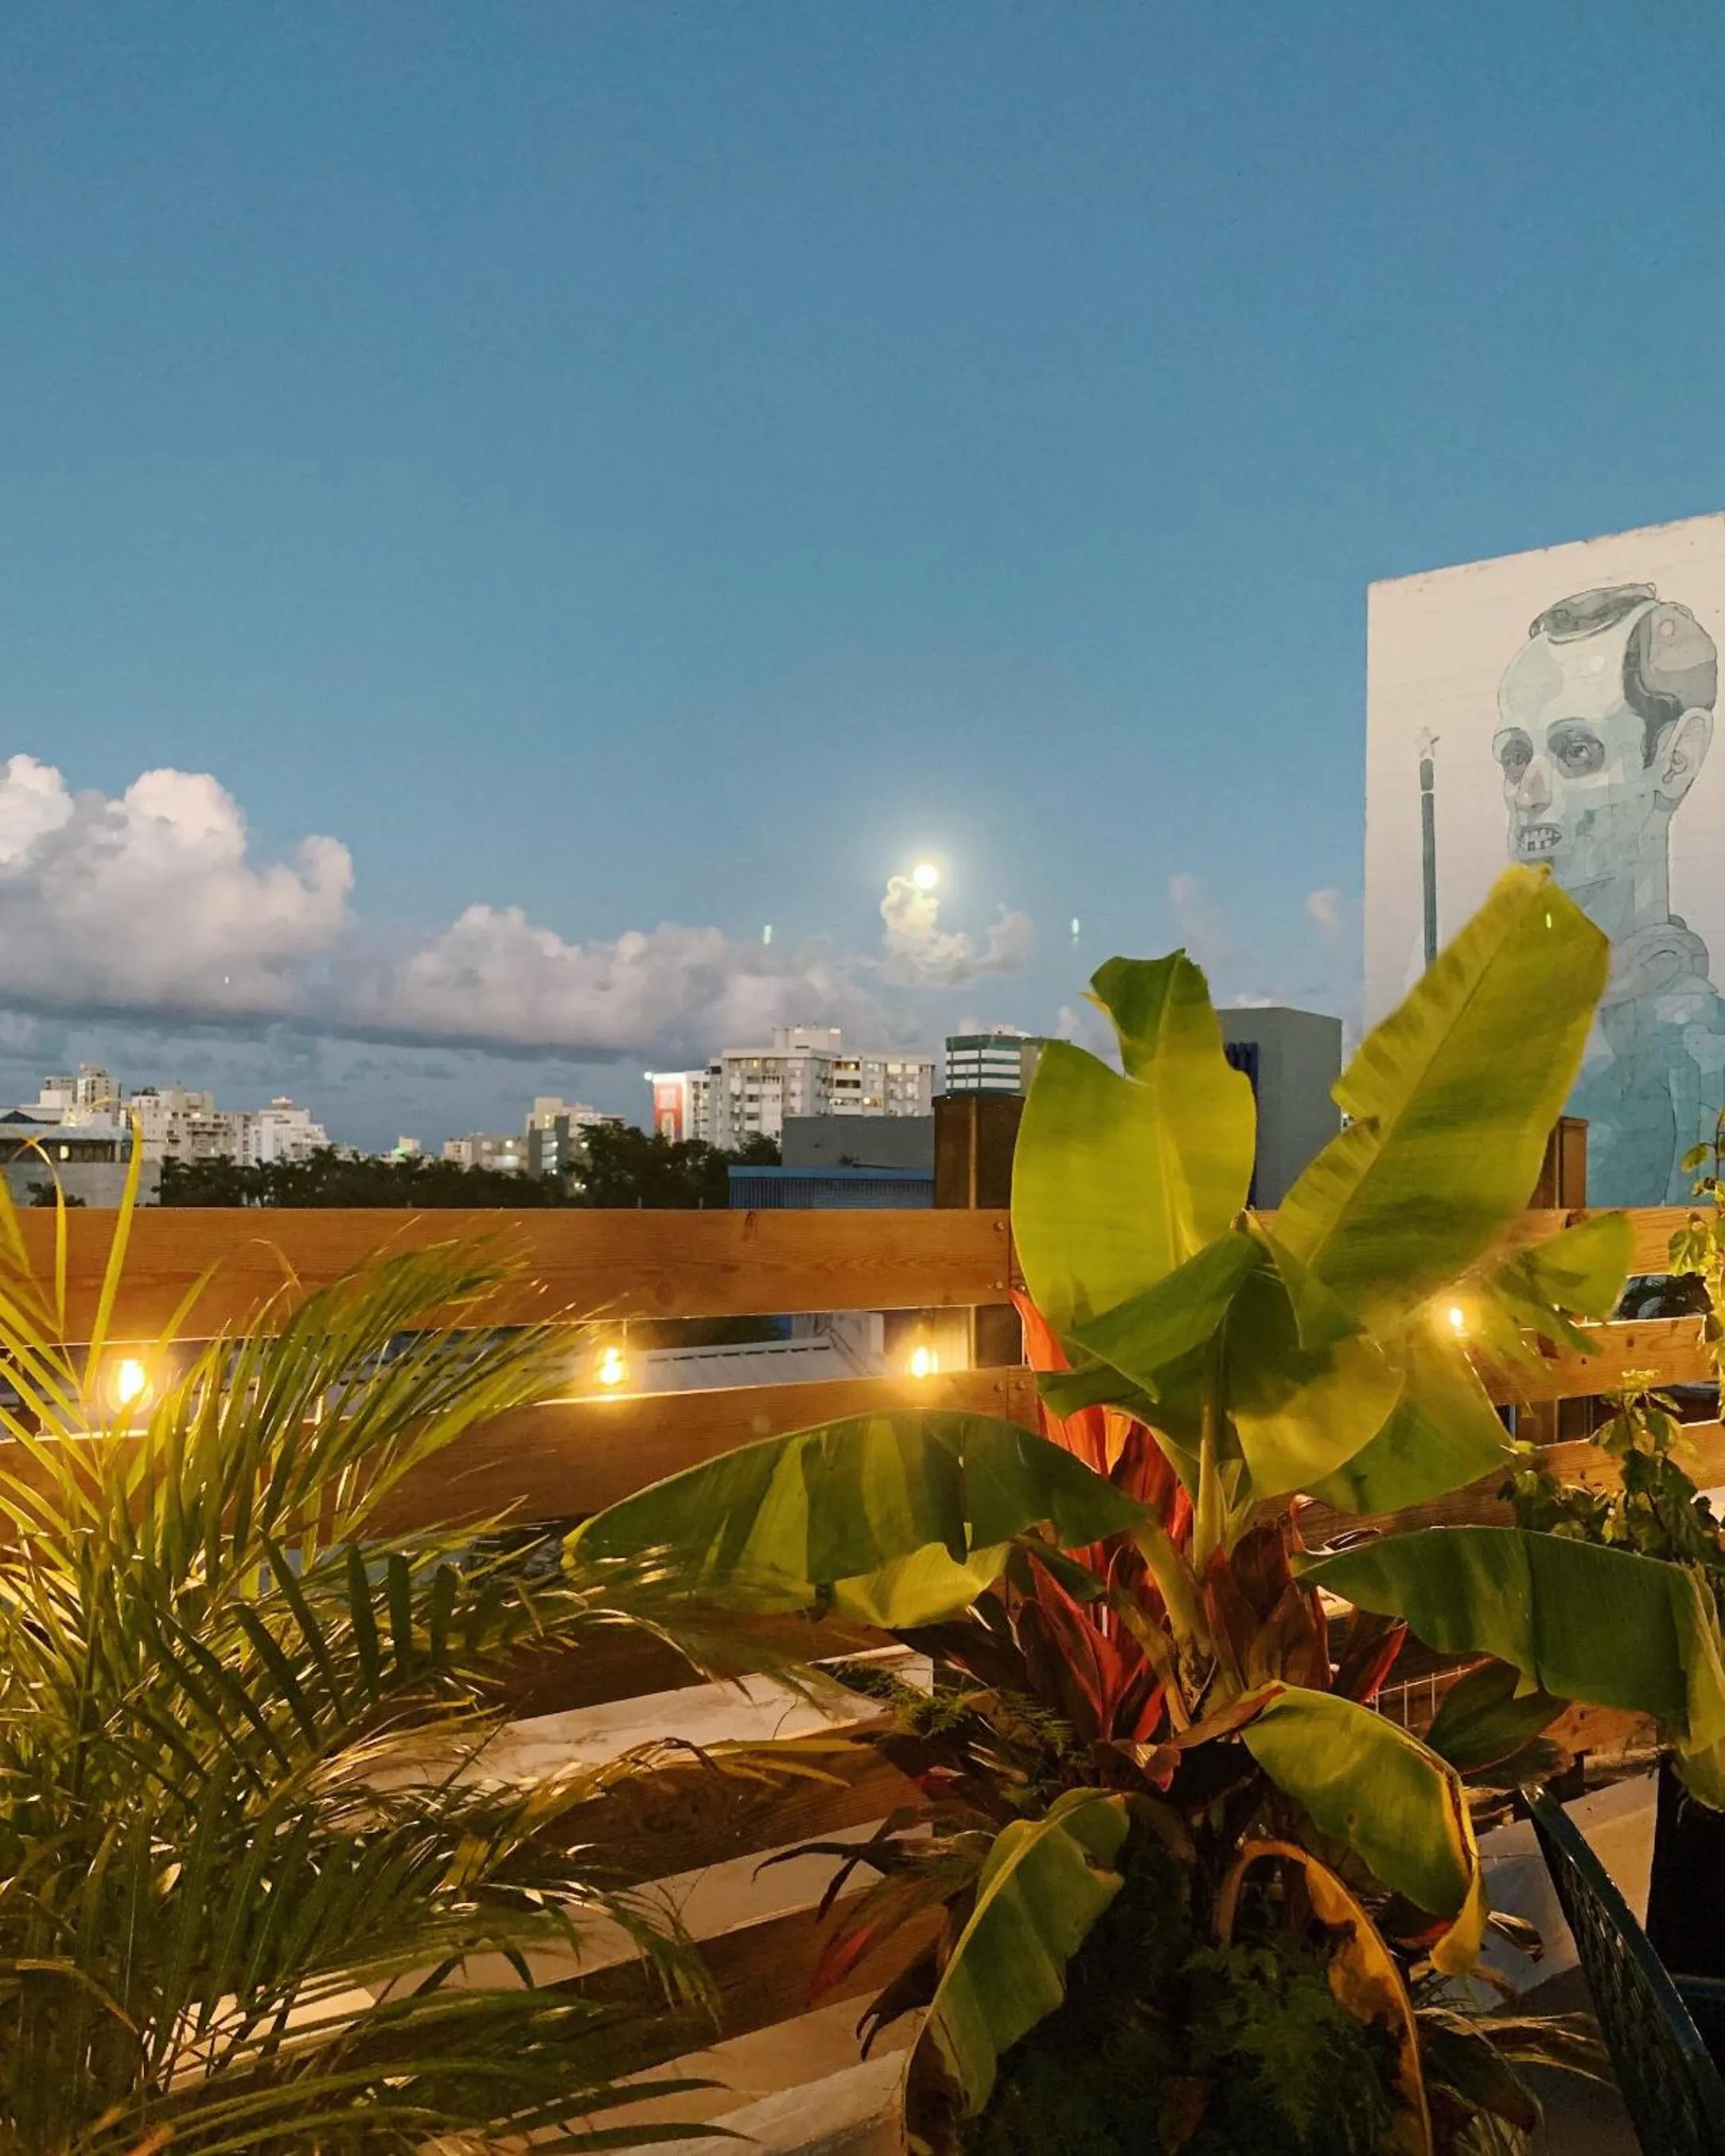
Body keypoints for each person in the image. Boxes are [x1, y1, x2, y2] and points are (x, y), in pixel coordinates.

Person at [1493, 582, 1725, 1204]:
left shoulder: (1695, 1043)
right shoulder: (1492, 1031)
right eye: (1515, 756)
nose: (1527, 792)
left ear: (1676, 759)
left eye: (1577, 751)